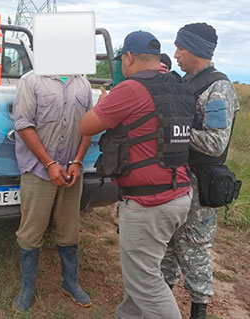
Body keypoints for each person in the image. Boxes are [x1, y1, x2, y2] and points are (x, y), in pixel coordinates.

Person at [80, 30, 195, 319]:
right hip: (178, 193)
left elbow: (86, 126)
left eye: (121, 61)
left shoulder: (130, 90)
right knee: (143, 271)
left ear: (128, 58)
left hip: (149, 203)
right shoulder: (177, 87)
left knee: (146, 282)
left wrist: (101, 104)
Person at [160, 22, 240, 319]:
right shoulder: (186, 81)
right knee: (168, 242)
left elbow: (216, 143)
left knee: (194, 248)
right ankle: (163, 303)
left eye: (180, 47)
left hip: (199, 182)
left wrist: (175, 132)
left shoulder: (218, 88)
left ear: (195, 49)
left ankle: (198, 309)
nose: (176, 53)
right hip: (176, 179)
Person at [12, 70, 93, 312]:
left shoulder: (83, 84)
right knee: (30, 232)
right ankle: (27, 288)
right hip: (38, 170)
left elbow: (88, 126)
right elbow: (23, 125)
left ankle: (70, 282)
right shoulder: (31, 81)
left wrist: (78, 161)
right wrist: (49, 163)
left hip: (71, 172)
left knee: (69, 230)